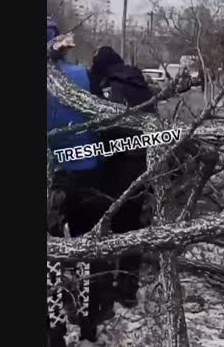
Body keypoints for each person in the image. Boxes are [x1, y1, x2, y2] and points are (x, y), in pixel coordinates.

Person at [46, 19, 103, 345]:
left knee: (50, 255)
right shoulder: (82, 74)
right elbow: (99, 120)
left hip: (51, 177)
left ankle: (55, 330)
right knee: (86, 247)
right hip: (86, 168)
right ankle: (88, 321)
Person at [88, 46, 155, 312]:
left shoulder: (108, 89)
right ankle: (128, 289)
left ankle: (104, 289)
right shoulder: (142, 86)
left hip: (114, 165)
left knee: (105, 223)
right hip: (141, 165)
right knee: (132, 227)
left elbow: (106, 129)